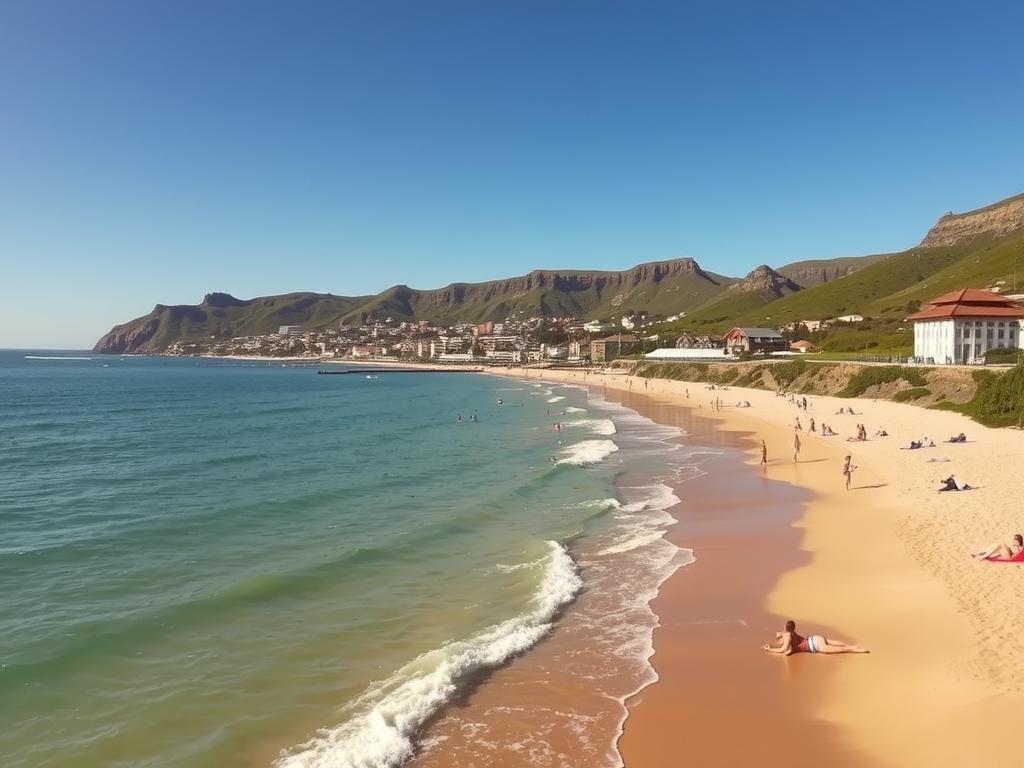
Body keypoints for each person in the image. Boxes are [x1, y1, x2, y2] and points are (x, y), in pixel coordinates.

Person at [761, 620, 868, 655]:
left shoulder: (787, 636)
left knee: (834, 650)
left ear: (786, 628)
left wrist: (770, 649)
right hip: (814, 638)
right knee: (830, 641)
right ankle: (850, 645)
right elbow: (782, 641)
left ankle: (852, 649)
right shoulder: (790, 634)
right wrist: (771, 645)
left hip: (814, 645)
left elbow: (783, 649)